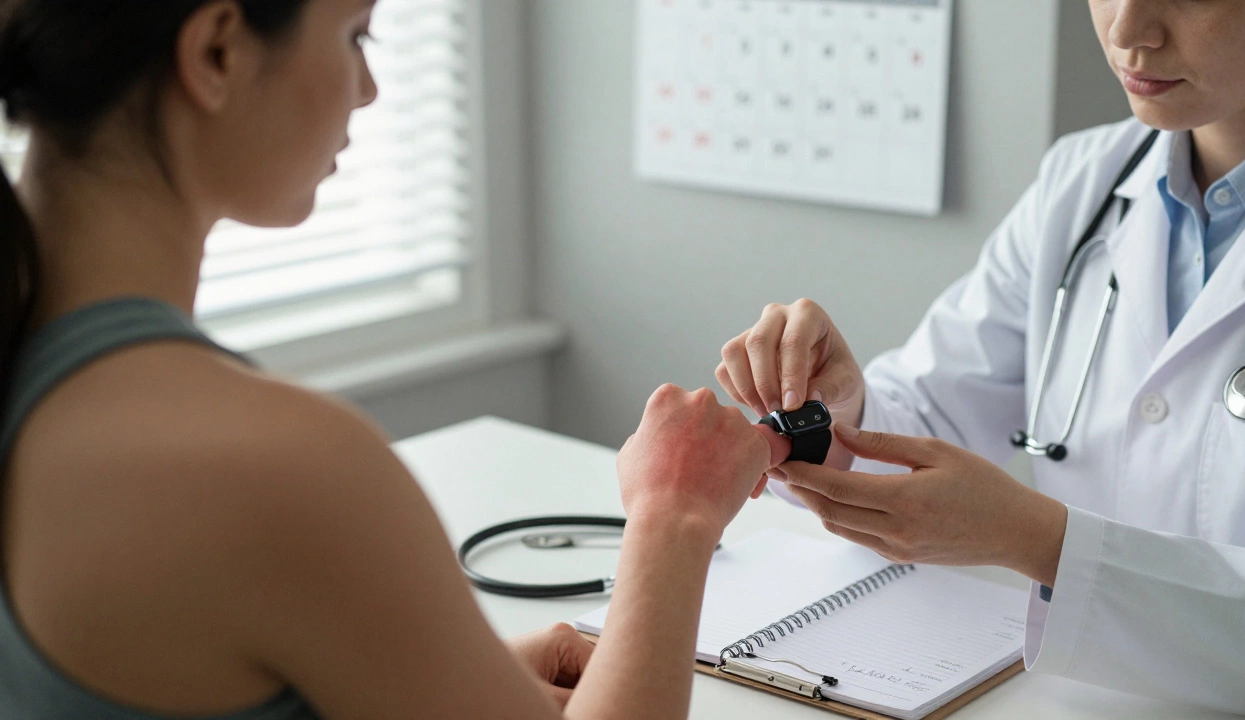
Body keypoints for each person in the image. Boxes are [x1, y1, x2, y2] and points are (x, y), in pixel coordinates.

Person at [0, 1, 790, 718]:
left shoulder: (43, 391)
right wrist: (674, 515)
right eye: (355, 35)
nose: (371, 88)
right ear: (216, 53)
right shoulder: (273, 463)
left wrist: (414, 675)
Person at [717, 1, 1245, 716]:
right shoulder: (1081, 185)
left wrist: (1042, 542)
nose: (1127, 30)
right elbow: (932, 414)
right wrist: (833, 415)